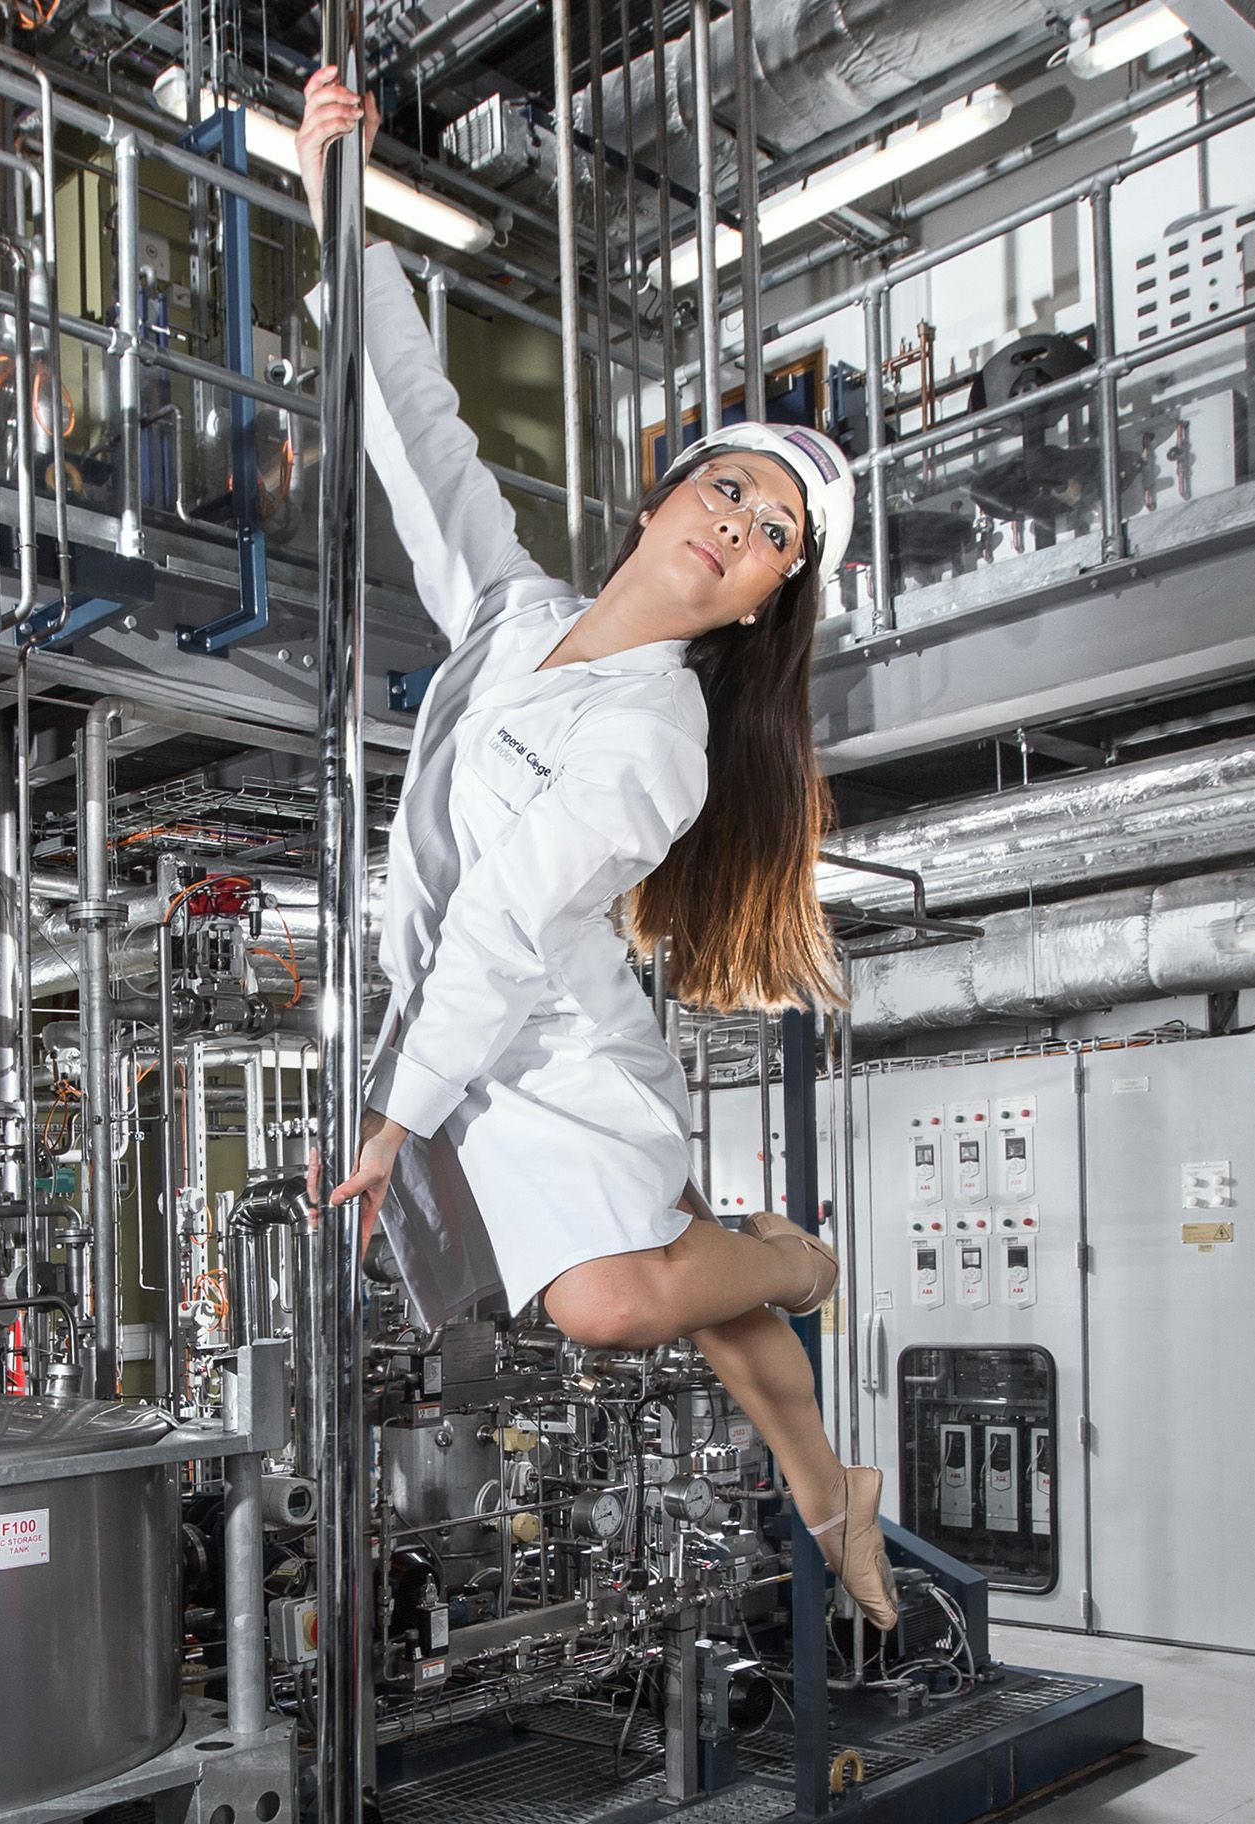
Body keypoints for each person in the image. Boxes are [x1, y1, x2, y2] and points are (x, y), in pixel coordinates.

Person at [294, 68, 896, 1629]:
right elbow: (418, 439)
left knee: (625, 1295)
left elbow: (499, 913)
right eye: (731, 489)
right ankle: (831, 1488)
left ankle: (798, 1263)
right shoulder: (514, 620)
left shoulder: (658, 740)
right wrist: (335, 203)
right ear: (667, 496)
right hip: (463, 1030)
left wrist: (390, 1109)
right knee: (688, 1290)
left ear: (764, 599)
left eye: (773, 537)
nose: (738, 526)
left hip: (545, 1051)